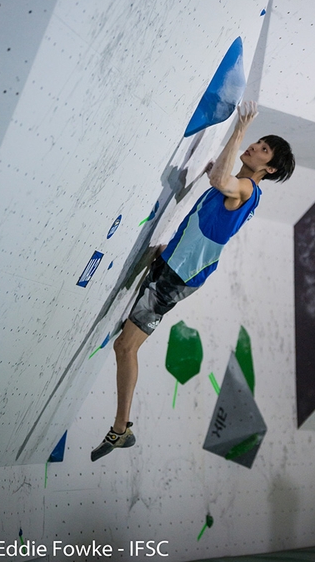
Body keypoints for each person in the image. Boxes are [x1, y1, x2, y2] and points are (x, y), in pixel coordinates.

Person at [91, 101, 295, 461]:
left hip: (178, 275)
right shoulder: (240, 186)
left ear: (271, 167)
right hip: (175, 265)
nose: (254, 147)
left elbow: (219, 178)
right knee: (126, 343)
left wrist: (238, 130)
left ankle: (121, 429)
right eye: (257, 142)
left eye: (263, 149)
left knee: (126, 347)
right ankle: (122, 427)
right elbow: (213, 196)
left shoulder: (247, 189)